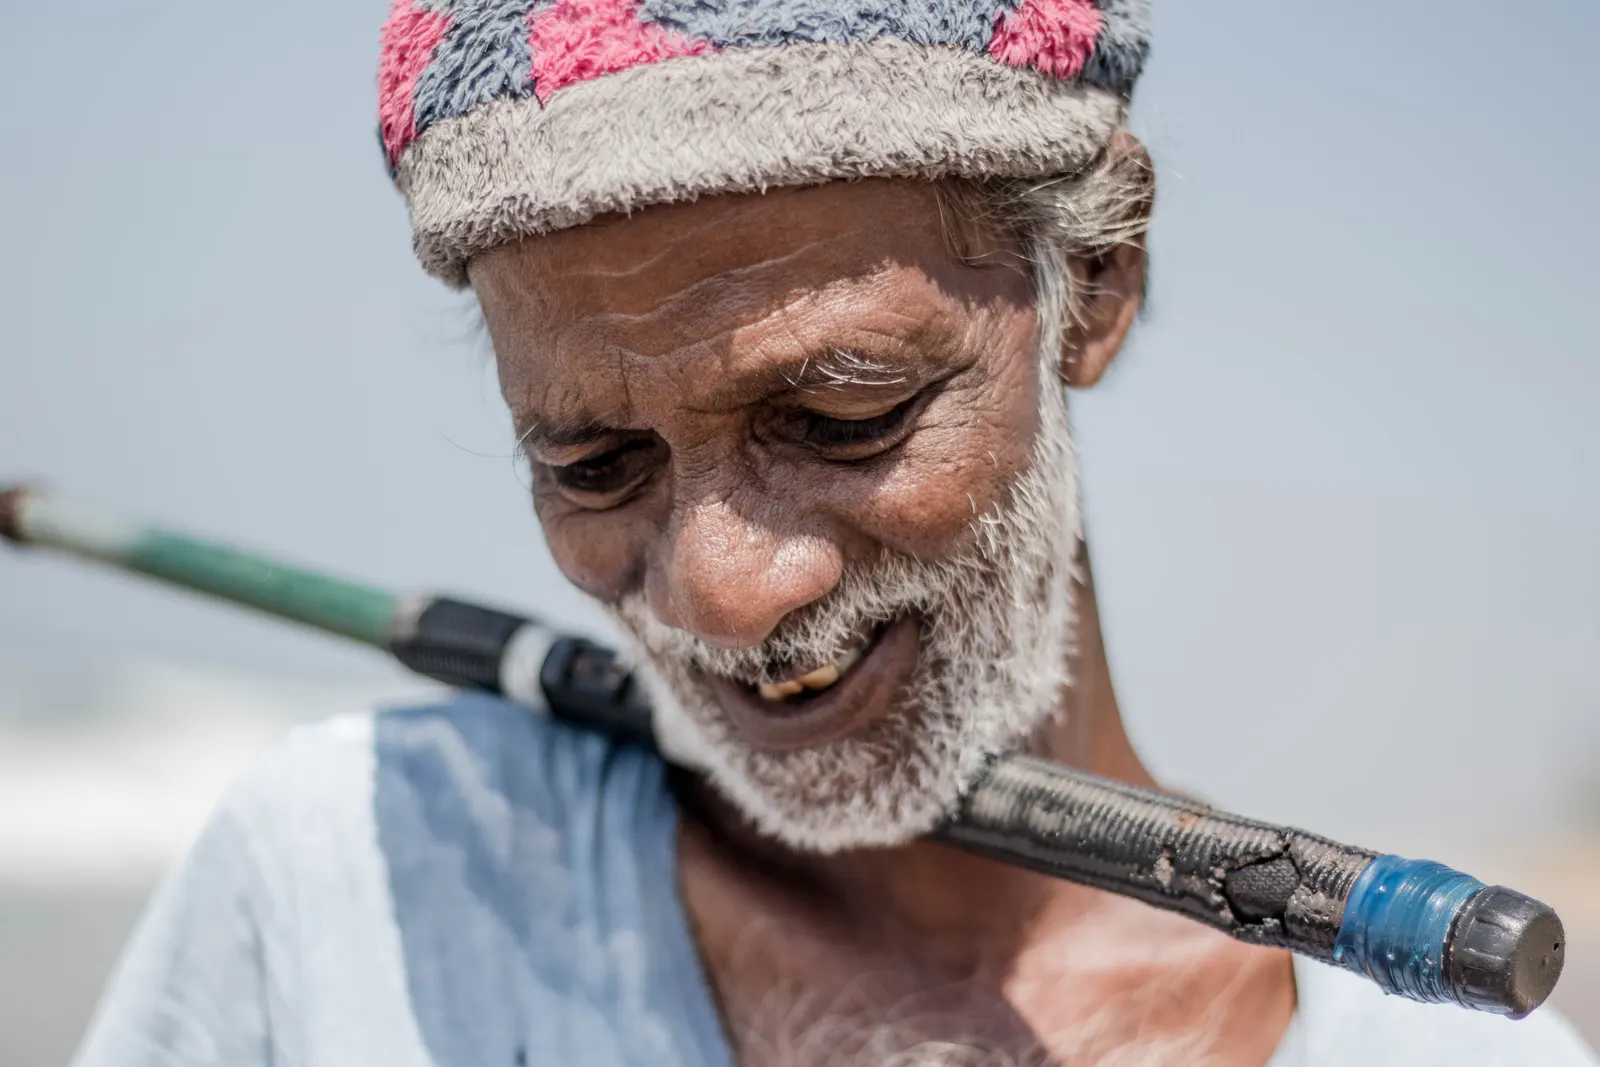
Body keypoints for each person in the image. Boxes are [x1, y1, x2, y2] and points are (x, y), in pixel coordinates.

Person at [71, 1, 1596, 1065]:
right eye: (596, 465)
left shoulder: (1423, 1042)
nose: (725, 592)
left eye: (847, 415)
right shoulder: (348, 877)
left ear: (1099, 283)